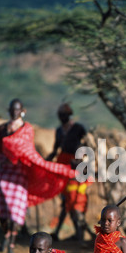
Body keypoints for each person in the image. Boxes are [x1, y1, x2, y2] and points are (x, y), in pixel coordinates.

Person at [0, 99, 76, 253]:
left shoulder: (27, 130)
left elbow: (23, 148)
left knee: (16, 211)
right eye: (12, 109)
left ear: (22, 111)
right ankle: (6, 235)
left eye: (17, 110)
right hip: (4, 172)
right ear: (8, 110)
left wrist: (7, 144)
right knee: (2, 211)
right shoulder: (2, 129)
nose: (14, 112)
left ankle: (11, 244)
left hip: (20, 173)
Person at [46, 103, 90, 242]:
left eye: (64, 115)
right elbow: (55, 150)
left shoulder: (78, 129)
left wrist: (84, 162)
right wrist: (43, 163)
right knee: (66, 199)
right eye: (60, 115)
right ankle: (76, 233)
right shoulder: (59, 130)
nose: (62, 118)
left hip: (77, 166)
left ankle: (78, 233)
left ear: (69, 115)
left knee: (76, 200)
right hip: (63, 166)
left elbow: (88, 146)